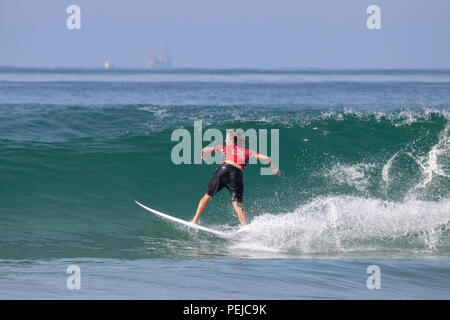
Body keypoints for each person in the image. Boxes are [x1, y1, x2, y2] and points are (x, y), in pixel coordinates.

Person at [190, 129, 281, 225]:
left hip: (223, 170)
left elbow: (204, 150)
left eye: (226, 139)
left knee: (207, 196)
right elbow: (266, 158)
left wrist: (203, 155)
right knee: (238, 207)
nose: (225, 141)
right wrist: (275, 169)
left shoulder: (224, 148)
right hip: (236, 174)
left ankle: (194, 220)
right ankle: (245, 229)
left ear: (231, 141)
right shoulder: (248, 152)